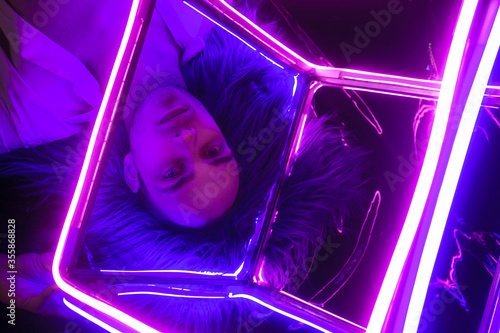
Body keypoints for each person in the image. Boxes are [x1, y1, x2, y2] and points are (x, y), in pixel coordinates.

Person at [0, 0, 368, 332]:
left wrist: (19, 280)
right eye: (213, 150)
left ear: (132, 173)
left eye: (173, 173)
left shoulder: (31, 114)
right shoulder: (207, 16)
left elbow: (15, 282)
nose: (187, 136)